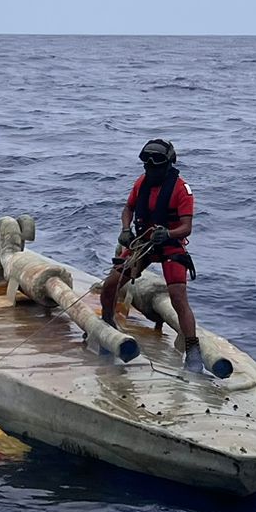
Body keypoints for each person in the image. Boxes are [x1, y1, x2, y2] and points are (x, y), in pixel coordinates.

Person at [99, 138, 203, 371]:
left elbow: (186, 227)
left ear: (167, 165)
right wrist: (126, 231)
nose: (150, 169)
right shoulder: (141, 183)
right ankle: (107, 324)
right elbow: (128, 209)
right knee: (110, 285)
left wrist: (168, 233)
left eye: (155, 165)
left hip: (169, 245)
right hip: (142, 244)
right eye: (147, 165)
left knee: (178, 297)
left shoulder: (182, 190)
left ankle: (193, 349)